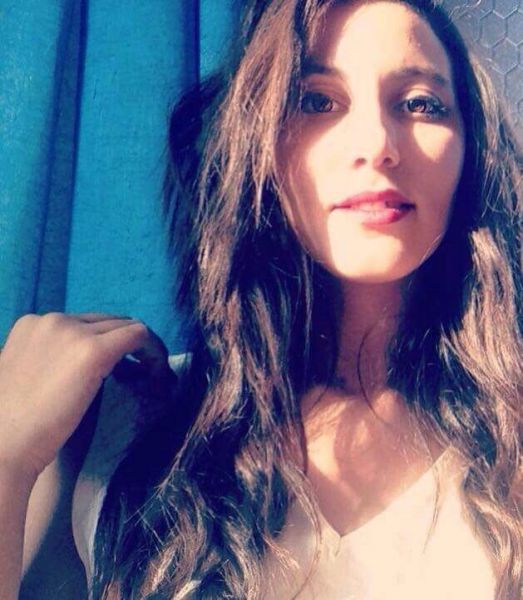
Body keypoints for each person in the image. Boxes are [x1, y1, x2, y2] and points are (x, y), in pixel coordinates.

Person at [1, 0, 521, 598]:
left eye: (420, 104)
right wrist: (8, 450)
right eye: (316, 101)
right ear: (252, 142)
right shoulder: (112, 428)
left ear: (470, 153)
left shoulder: (511, 440)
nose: (378, 143)